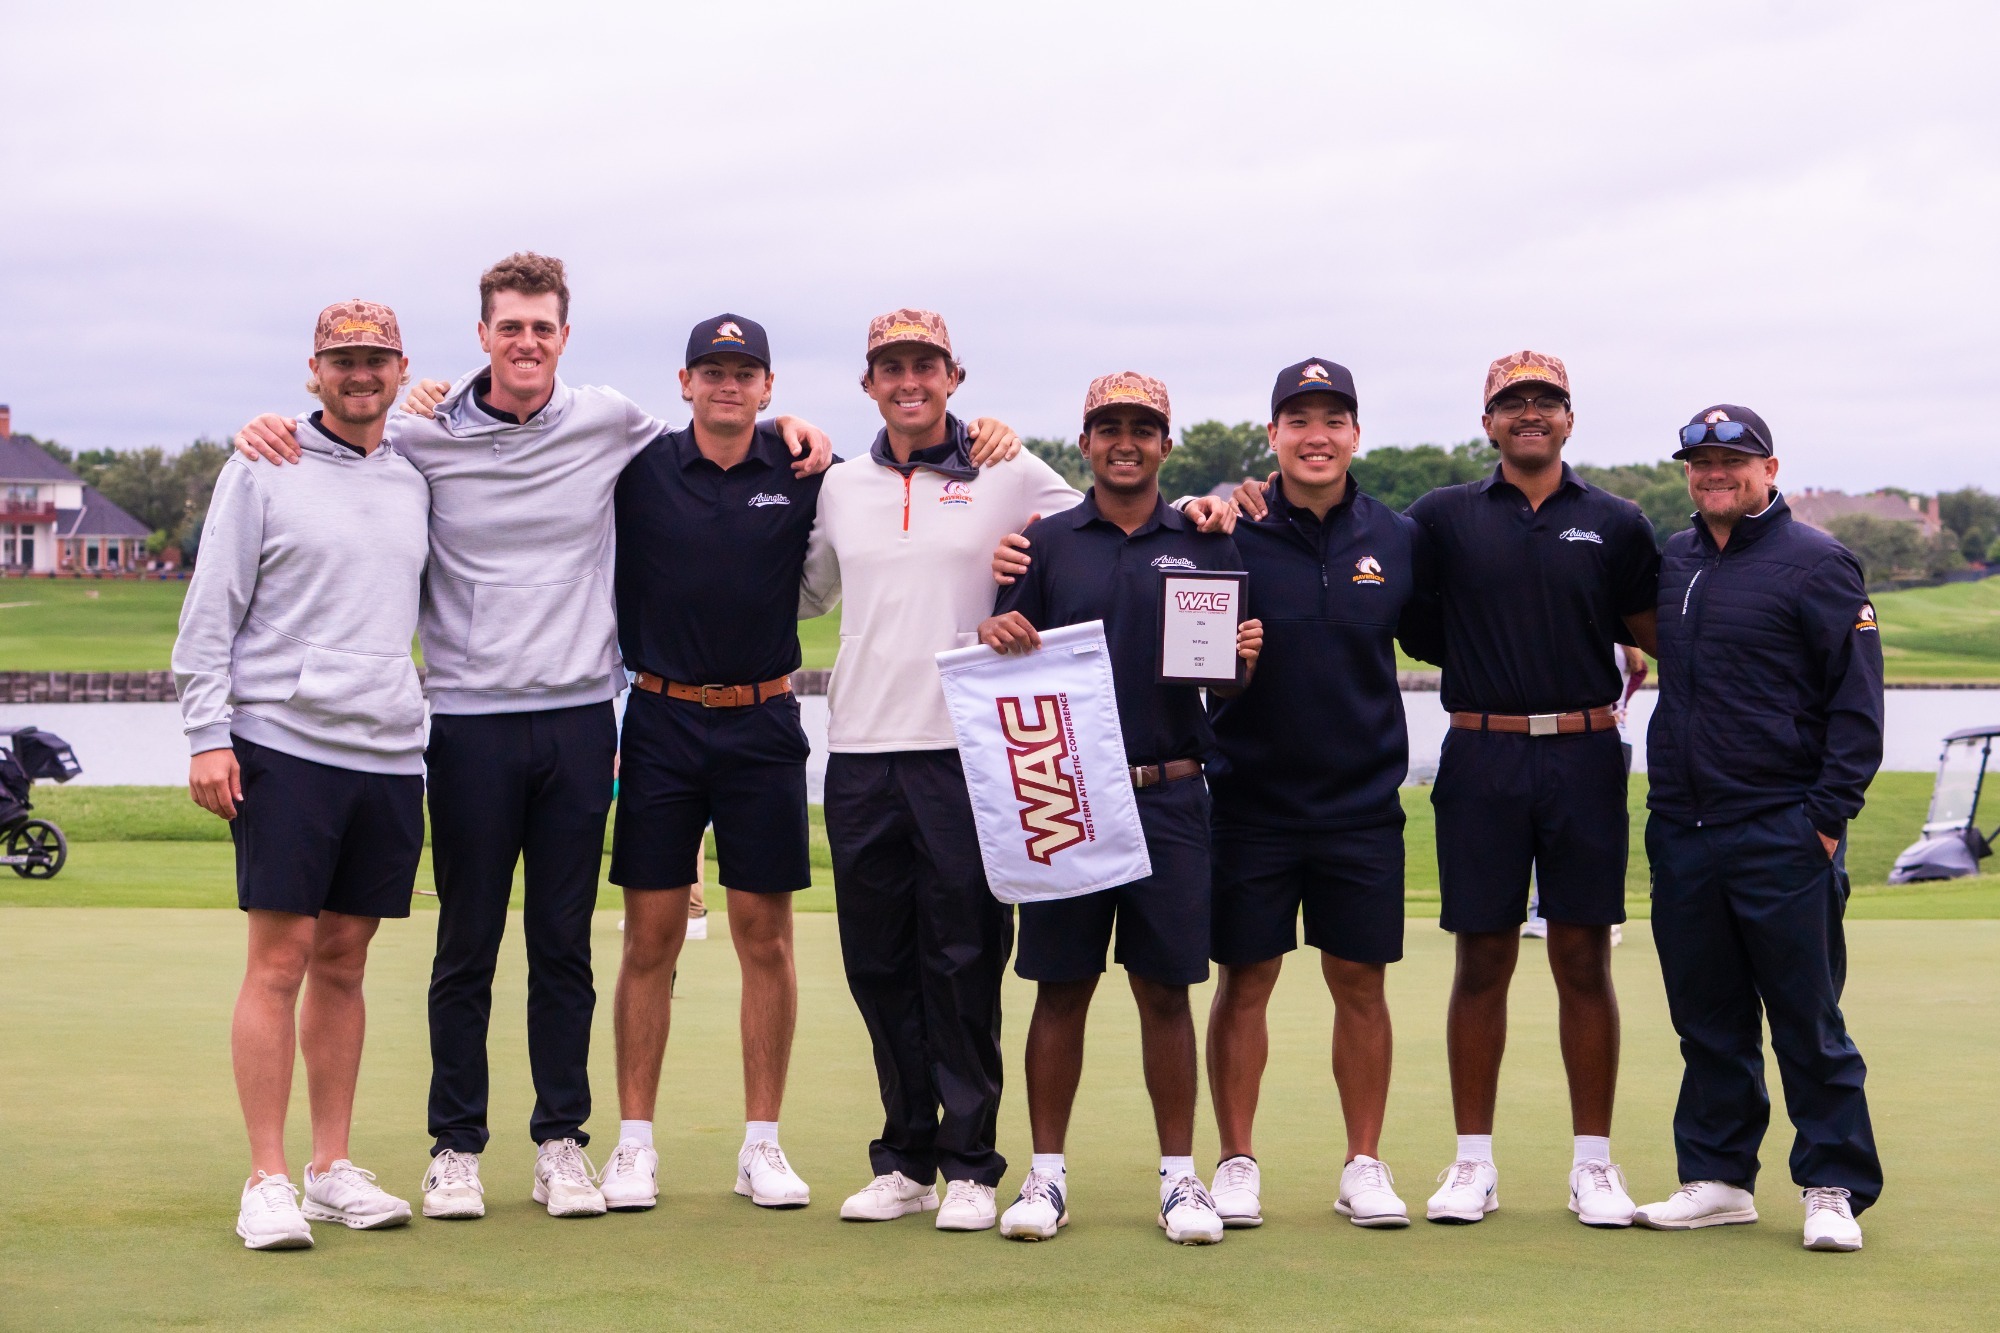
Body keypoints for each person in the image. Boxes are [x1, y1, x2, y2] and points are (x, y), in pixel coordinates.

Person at [230, 254, 843, 1221]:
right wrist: (263, 424)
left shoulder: (607, 422)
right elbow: (342, 427)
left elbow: (721, 427)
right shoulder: (424, 431)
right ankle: (455, 1146)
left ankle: (562, 1140)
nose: (525, 342)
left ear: (564, 336)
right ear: (482, 335)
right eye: (508, 326)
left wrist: (790, 424)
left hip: (575, 718)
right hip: (468, 720)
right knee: (467, 940)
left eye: (542, 328)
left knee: (563, 943)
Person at [1241, 350, 1659, 1227]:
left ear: (1570, 419)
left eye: (1546, 402)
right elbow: (1414, 619)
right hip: (1481, 756)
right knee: (1483, 959)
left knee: (1583, 958)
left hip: (1585, 755)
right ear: (1489, 422)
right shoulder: (1439, 519)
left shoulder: (1616, 522)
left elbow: (1652, 625)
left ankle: (1595, 1165)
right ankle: (1473, 1163)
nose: (1530, 415)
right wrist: (1226, 496)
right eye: (1513, 403)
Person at [799, 309, 1086, 1232]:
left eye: (925, 365)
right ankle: (904, 1157)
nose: (907, 381)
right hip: (862, 748)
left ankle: (971, 1161)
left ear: (953, 375)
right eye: (890, 368)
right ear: (868, 382)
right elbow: (808, 588)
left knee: (962, 957)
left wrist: (1028, 565)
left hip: (968, 753)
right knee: (877, 962)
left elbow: (1093, 534)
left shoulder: (1007, 467)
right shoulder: (840, 484)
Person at [978, 372, 1261, 1245]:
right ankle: (1046, 1176)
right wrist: (999, 634)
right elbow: (1004, 654)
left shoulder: (1206, 540)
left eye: (1143, 428)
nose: (1126, 442)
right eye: (1109, 428)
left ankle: (1182, 1180)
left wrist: (1245, 661)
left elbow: (1227, 688)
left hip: (1173, 790)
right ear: (1087, 441)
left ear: (1167, 444)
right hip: (1067, 793)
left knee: (1165, 991)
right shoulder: (1046, 542)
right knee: (1059, 989)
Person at [175, 300, 429, 1249]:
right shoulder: (262, 466)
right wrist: (209, 733)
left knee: (347, 957)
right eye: (342, 359)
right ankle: (267, 1177)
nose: (360, 374)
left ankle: (329, 1166)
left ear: (401, 368)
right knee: (279, 958)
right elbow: (212, 610)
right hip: (285, 743)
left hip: (389, 750)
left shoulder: (414, 472)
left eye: (376, 360)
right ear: (314, 369)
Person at [1633, 405, 1883, 1253]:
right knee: (1707, 1017)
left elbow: (1857, 707)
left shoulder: (1817, 563)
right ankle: (1718, 1177)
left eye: (1732, 460)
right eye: (1701, 462)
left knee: (1807, 1018)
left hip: (1783, 826)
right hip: (1685, 826)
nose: (1715, 473)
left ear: (1769, 468)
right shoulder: (1675, 557)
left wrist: (1825, 819)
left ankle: (1831, 1182)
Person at [1199, 360, 1434, 1230]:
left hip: (1362, 802)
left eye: (1333, 419)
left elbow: (1468, 625)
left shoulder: (1399, 537)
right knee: (1245, 978)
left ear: (1355, 434)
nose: (1316, 435)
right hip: (1251, 798)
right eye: (1298, 419)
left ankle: (1363, 1163)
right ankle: (1236, 1161)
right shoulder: (1233, 530)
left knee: (1359, 983)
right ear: (1273, 435)